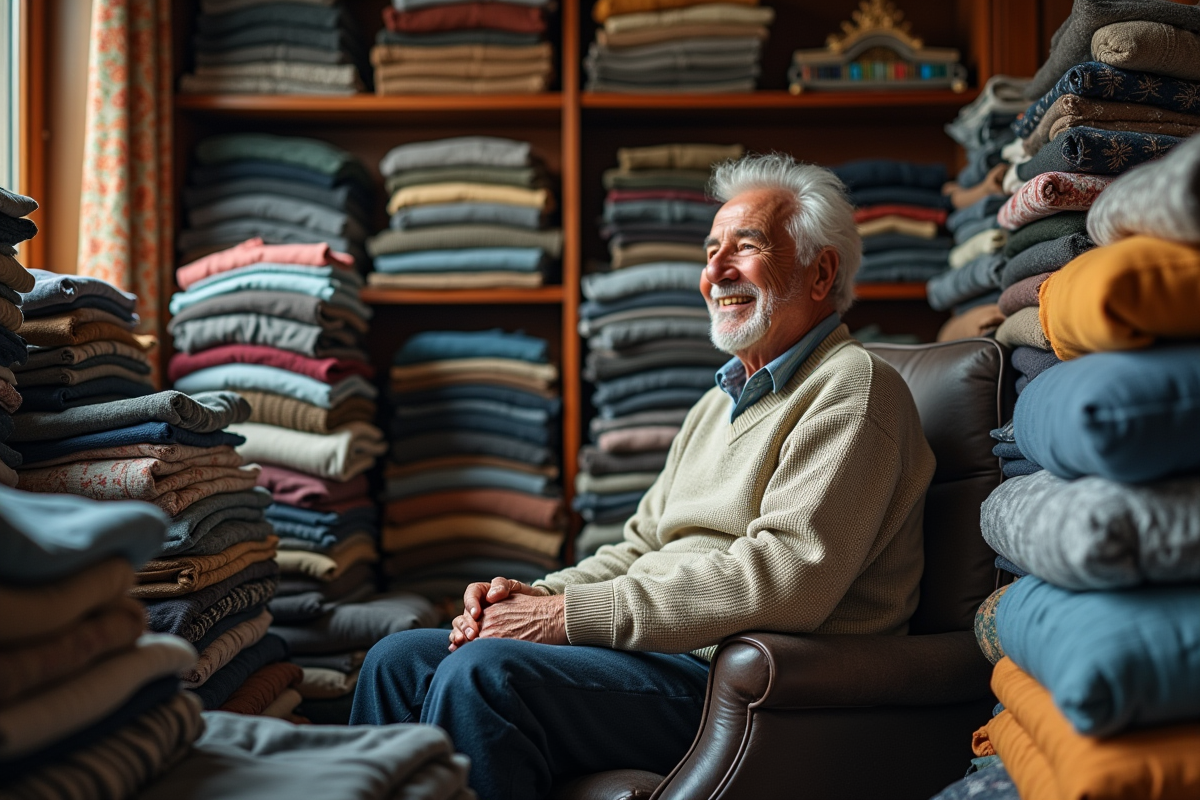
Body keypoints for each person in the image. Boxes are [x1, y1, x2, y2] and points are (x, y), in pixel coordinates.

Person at [351, 153, 937, 800]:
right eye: (710, 251)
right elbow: (639, 547)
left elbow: (784, 577)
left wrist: (565, 618)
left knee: (486, 675)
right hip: (666, 656)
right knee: (396, 661)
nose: (714, 272)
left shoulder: (855, 388)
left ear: (820, 271)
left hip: (750, 686)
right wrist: (526, 600)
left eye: (744, 248)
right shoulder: (718, 403)